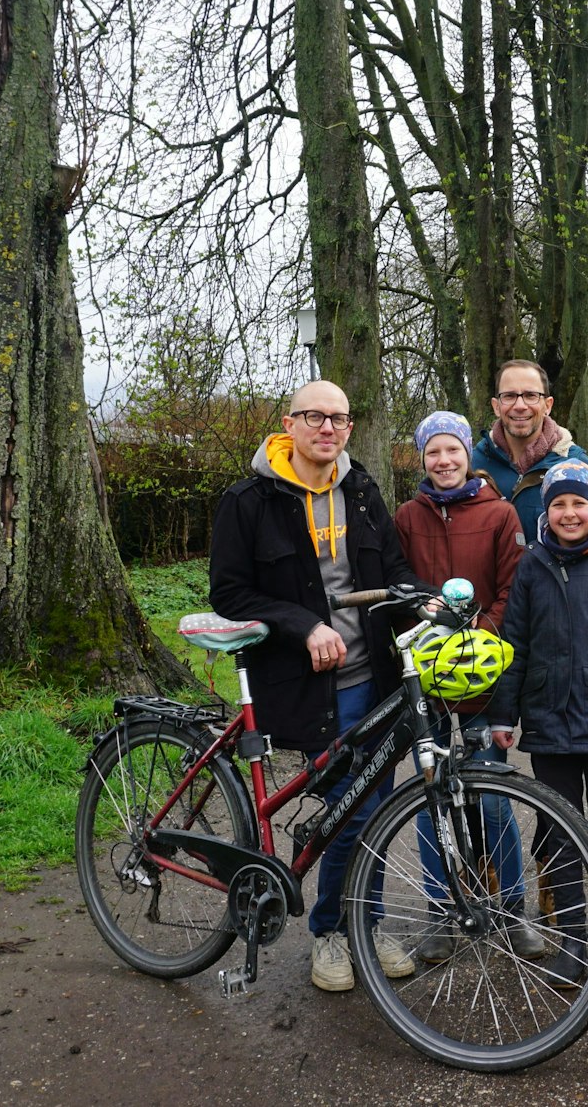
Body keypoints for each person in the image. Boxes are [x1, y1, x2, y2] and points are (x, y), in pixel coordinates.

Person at [208, 380, 428, 993]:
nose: (326, 428)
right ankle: (334, 930)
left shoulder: (361, 491)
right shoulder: (250, 500)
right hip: (303, 685)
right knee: (350, 811)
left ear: (349, 428)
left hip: (372, 676)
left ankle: (365, 922)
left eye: (338, 418)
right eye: (314, 417)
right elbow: (229, 593)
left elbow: (393, 568)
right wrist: (304, 625)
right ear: (290, 424)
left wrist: (423, 603)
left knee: (372, 808)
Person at [486, 459, 588, 986]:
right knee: (557, 834)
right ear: (547, 512)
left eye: (579, 503)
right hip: (549, 724)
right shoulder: (533, 565)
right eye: (558, 503)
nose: (569, 512)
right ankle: (572, 940)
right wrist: (503, 713)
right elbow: (514, 644)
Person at [390, 409, 544, 960]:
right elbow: (400, 586)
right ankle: (441, 913)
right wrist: (426, 628)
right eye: (434, 452)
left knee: (495, 800)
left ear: (467, 456)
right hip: (427, 681)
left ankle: (512, 910)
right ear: (423, 459)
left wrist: (479, 638)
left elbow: (512, 589)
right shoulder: (407, 516)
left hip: (483, 677)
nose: (444, 460)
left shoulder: (500, 514)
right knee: (433, 800)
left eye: (453, 450)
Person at [473, 359, 588, 540]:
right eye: (509, 396)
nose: (520, 406)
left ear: (548, 405)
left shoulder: (578, 467)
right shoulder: (472, 466)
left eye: (531, 395)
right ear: (496, 406)